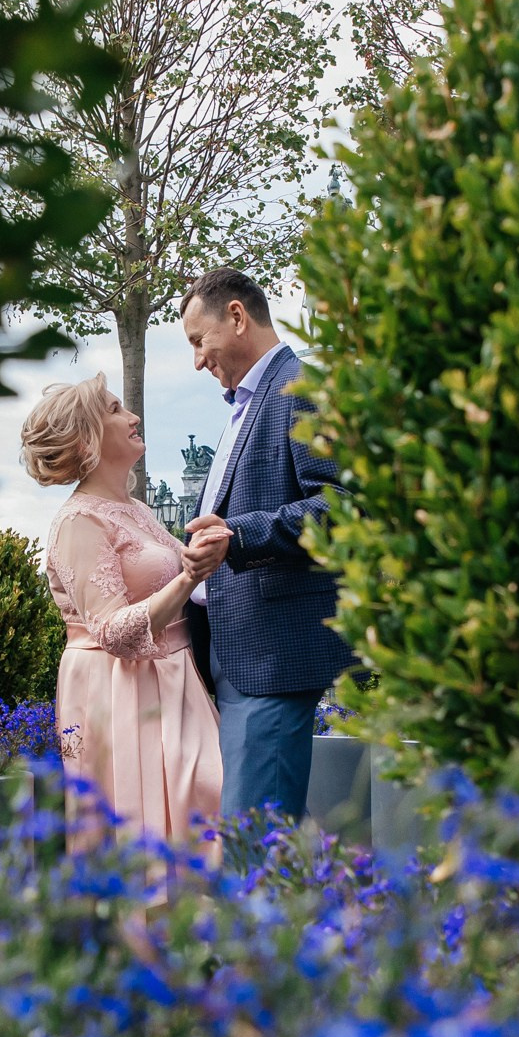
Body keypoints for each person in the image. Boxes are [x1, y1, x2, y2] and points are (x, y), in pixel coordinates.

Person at [20, 373, 226, 851]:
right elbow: (112, 630)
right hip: (116, 689)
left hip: (174, 679)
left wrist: (213, 544)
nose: (131, 416)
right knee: (151, 825)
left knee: (209, 802)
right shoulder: (78, 521)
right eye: (115, 409)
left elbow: (190, 575)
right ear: (88, 437)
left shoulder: (135, 508)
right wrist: (190, 575)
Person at [178, 267, 354, 821]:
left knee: (252, 849)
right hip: (235, 655)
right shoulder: (245, 404)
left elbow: (343, 509)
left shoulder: (302, 390)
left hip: (272, 658)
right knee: (257, 842)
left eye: (198, 341)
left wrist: (239, 535)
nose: (198, 361)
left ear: (236, 317)